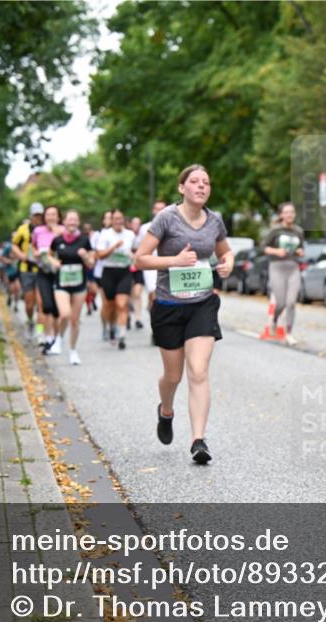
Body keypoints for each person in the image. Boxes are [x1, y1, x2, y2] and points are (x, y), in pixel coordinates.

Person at [135, 164, 234, 465]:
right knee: (173, 375)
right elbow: (140, 259)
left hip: (202, 304)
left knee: (199, 370)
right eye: (194, 181)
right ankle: (166, 411)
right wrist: (174, 260)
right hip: (168, 306)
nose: (202, 186)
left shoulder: (214, 220)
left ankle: (198, 440)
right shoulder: (166, 218)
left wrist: (228, 262)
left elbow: (225, 251)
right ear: (182, 188)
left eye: (206, 182)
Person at [49, 210, 94, 365]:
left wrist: (86, 256)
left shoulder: (84, 240)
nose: (72, 222)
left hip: (79, 284)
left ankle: (73, 351)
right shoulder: (57, 240)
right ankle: (59, 339)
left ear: (78, 222)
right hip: (61, 283)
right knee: (65, 314)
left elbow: (91, 263)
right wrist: (53, 262)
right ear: (65, 222)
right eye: (70, 220)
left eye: (75, 220)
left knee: (75, 320)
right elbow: (48, 255)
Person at [260, 202, 305, 345]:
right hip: (277, 267)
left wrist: (300, 252)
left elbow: (302, 248)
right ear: (281, 215)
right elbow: (262, 247)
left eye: (291, 212)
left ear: (295, 214)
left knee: (291, 302)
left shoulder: (299, 231)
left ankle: (289, 333)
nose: (289, 215)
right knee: (280, 303)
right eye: (286, 212)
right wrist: (276, 251)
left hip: (293, 268)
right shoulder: (275, 230)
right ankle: (274, 320)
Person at [95, 209, 136, 349]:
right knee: (110, 306)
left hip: (124, 272)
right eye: (115, 218)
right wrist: (113, 247)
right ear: (111, 220)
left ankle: (122, 335)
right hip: (108, 272)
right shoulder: (105, 235)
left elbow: (135, 250)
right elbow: (99, 255)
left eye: (121, 218)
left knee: (122, 304)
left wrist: (132, 256)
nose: (118, 221)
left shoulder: (130, 234)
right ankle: (111, 327)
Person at [33, 206, 63, 353]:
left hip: (59, 274)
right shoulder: (38, 231)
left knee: (57, 310)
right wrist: (37, 253)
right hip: (43, 271)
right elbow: (32, 248)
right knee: (45, 306)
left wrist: (58, 232)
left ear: (58, 217)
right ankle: (44, 335)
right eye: (48, 214)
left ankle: (57, 339)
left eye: (54, 214)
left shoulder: (63, 231)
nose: (51, 217)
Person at [11, 204, 43, 340]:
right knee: (30, 304)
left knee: (42, 304)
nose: (38, 218)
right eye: (36, 215)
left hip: (43, 270)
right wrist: (21, 255)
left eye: (40, 215)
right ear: (31, 216)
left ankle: (41, 331)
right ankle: (30, 321)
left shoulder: (44, 230)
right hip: (27, 270)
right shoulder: (23, 230)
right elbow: (13, 245)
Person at [137, 200, 168, 335]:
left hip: (168, 264)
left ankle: (161, 323)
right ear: (153, 211)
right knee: (154, 296)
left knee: (165, 298)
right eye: (157, 208)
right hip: (151, 266)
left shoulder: (172, 225)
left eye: (162, 208)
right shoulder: (145, 228)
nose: (160, 211)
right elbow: (138, 248)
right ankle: (155, 326)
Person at [128, 216, 146, 330]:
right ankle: (127, 316)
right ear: (130, 224)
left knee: (138, 293)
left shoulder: (144, 234)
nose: (136, 226)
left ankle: (138, 318)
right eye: (134, 223)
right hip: (126, 267)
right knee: (128, 294)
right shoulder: (126, 235)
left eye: (138, 224)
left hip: (138, 266)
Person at [82, 221, 99, 316]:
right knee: (86, 288)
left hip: (93, 266)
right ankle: (88, 306)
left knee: (93, 290)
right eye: (85, 229)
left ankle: (92, 299)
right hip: (84, 266)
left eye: (88, 228)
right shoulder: (81, 238)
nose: (87, 230)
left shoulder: (96, 236)